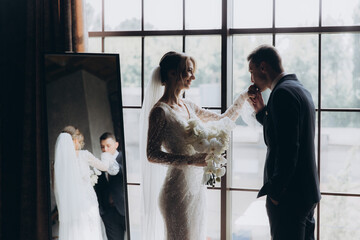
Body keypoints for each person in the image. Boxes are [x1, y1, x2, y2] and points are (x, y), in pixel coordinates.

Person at [140, 51, 251, 240]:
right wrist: (191, 160)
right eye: (189, 71)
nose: (194, 76)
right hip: (175, 192)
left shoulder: (188, 105)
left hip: (197, 188)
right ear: (172, 73)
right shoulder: (160, 112)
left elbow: (223, 120)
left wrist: (243, 97)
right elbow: (152, 154)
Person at [247, 45, 321, 240]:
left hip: (289, 196)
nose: (251, 79)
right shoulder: (299, 89)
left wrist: (276, 193)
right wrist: (262, 112)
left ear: (263, 67)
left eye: (252, 72)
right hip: (306, 192)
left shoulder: (282, 94)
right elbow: (285, 134)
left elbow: (289, 149)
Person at [53, 126, 119, 240]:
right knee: (89, 232)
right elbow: (104, 167)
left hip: (70, 204)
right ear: (75, 140)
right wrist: (106, 156)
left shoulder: (56, 164)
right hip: (87, 202)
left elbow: (56, 188)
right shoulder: (83, 155)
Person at [95, 132, 126, 240]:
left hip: (126, 209)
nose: (105, 149)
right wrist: (102, 212)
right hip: (109, 214)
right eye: (102, 147)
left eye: (108, 146)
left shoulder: (125, 158)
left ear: (116, 145)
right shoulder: (99, 164)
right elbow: (98, 189)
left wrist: (111, 163)